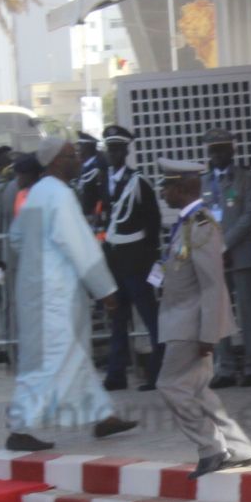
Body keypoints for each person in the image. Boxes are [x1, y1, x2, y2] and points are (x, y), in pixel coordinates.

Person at [5, 135, 137, 451]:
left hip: (38, 291)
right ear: (54, 162)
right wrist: (105, 288)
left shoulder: (36, 193)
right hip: (55, 295)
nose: (78, 159)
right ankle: (19, 427)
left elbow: (16, 238)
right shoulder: (60, 196)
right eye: (71, 155)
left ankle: (102, 416)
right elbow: (78, 244)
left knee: (72, 356)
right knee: (49, 361)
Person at [151, 160, 251, 477]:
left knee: (170, 385)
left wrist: (209, 334)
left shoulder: (202, 225)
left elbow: (213, 284)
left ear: (182, 189)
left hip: (192, 324)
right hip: (182, 320)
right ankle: (239, 446)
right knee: (197, 389)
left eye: (167, 186)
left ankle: (211, 448)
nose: (163, 192)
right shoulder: (186, 224)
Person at [95, 125, 164, 393]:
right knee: (118, 319)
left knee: (149, 317)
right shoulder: (103, 181)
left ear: (126, 151)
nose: (113, 154)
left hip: (137, 260)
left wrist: (151, 260)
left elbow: (152, 222)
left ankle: (158, 372)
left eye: (117, 149)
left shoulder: (139, 182)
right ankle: (116, 374)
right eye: (109, 149)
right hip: (114, 261)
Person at [202, 126, 251, 388]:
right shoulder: (203, 181)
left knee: (249, 314)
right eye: (213, 150)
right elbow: (201, 217)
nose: (217, 155)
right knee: (218, 315)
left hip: (241, 253)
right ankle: (224, 367)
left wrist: (224, 245)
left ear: (232, 149)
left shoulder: (247, 178)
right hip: (214, 257)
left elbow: (250, 215)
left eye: (222, 149)